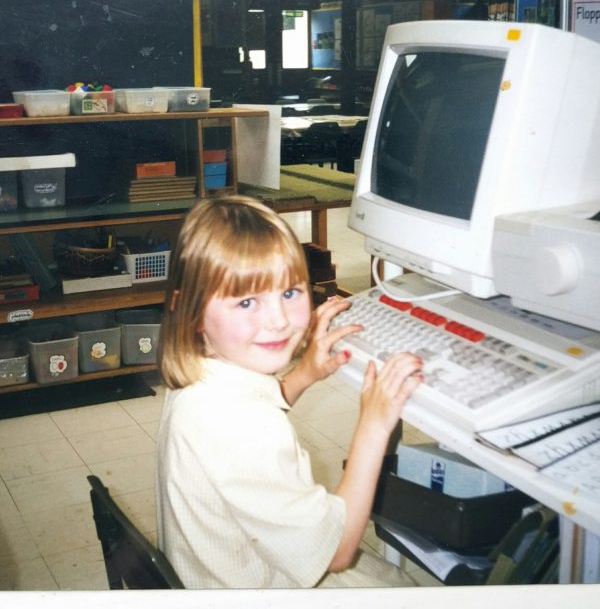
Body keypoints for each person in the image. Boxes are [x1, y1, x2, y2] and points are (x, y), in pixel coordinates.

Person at [155, 195, 424, 589]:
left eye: (289, 293)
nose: (279, 321)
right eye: (247, 302)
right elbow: (337, 553)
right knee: (400, 586)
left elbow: (252, 410)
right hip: (251, 589)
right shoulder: (243, 426)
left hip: (217, 575)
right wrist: (374, 425)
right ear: (190, 312)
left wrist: (304, 374)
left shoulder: (200, 377)